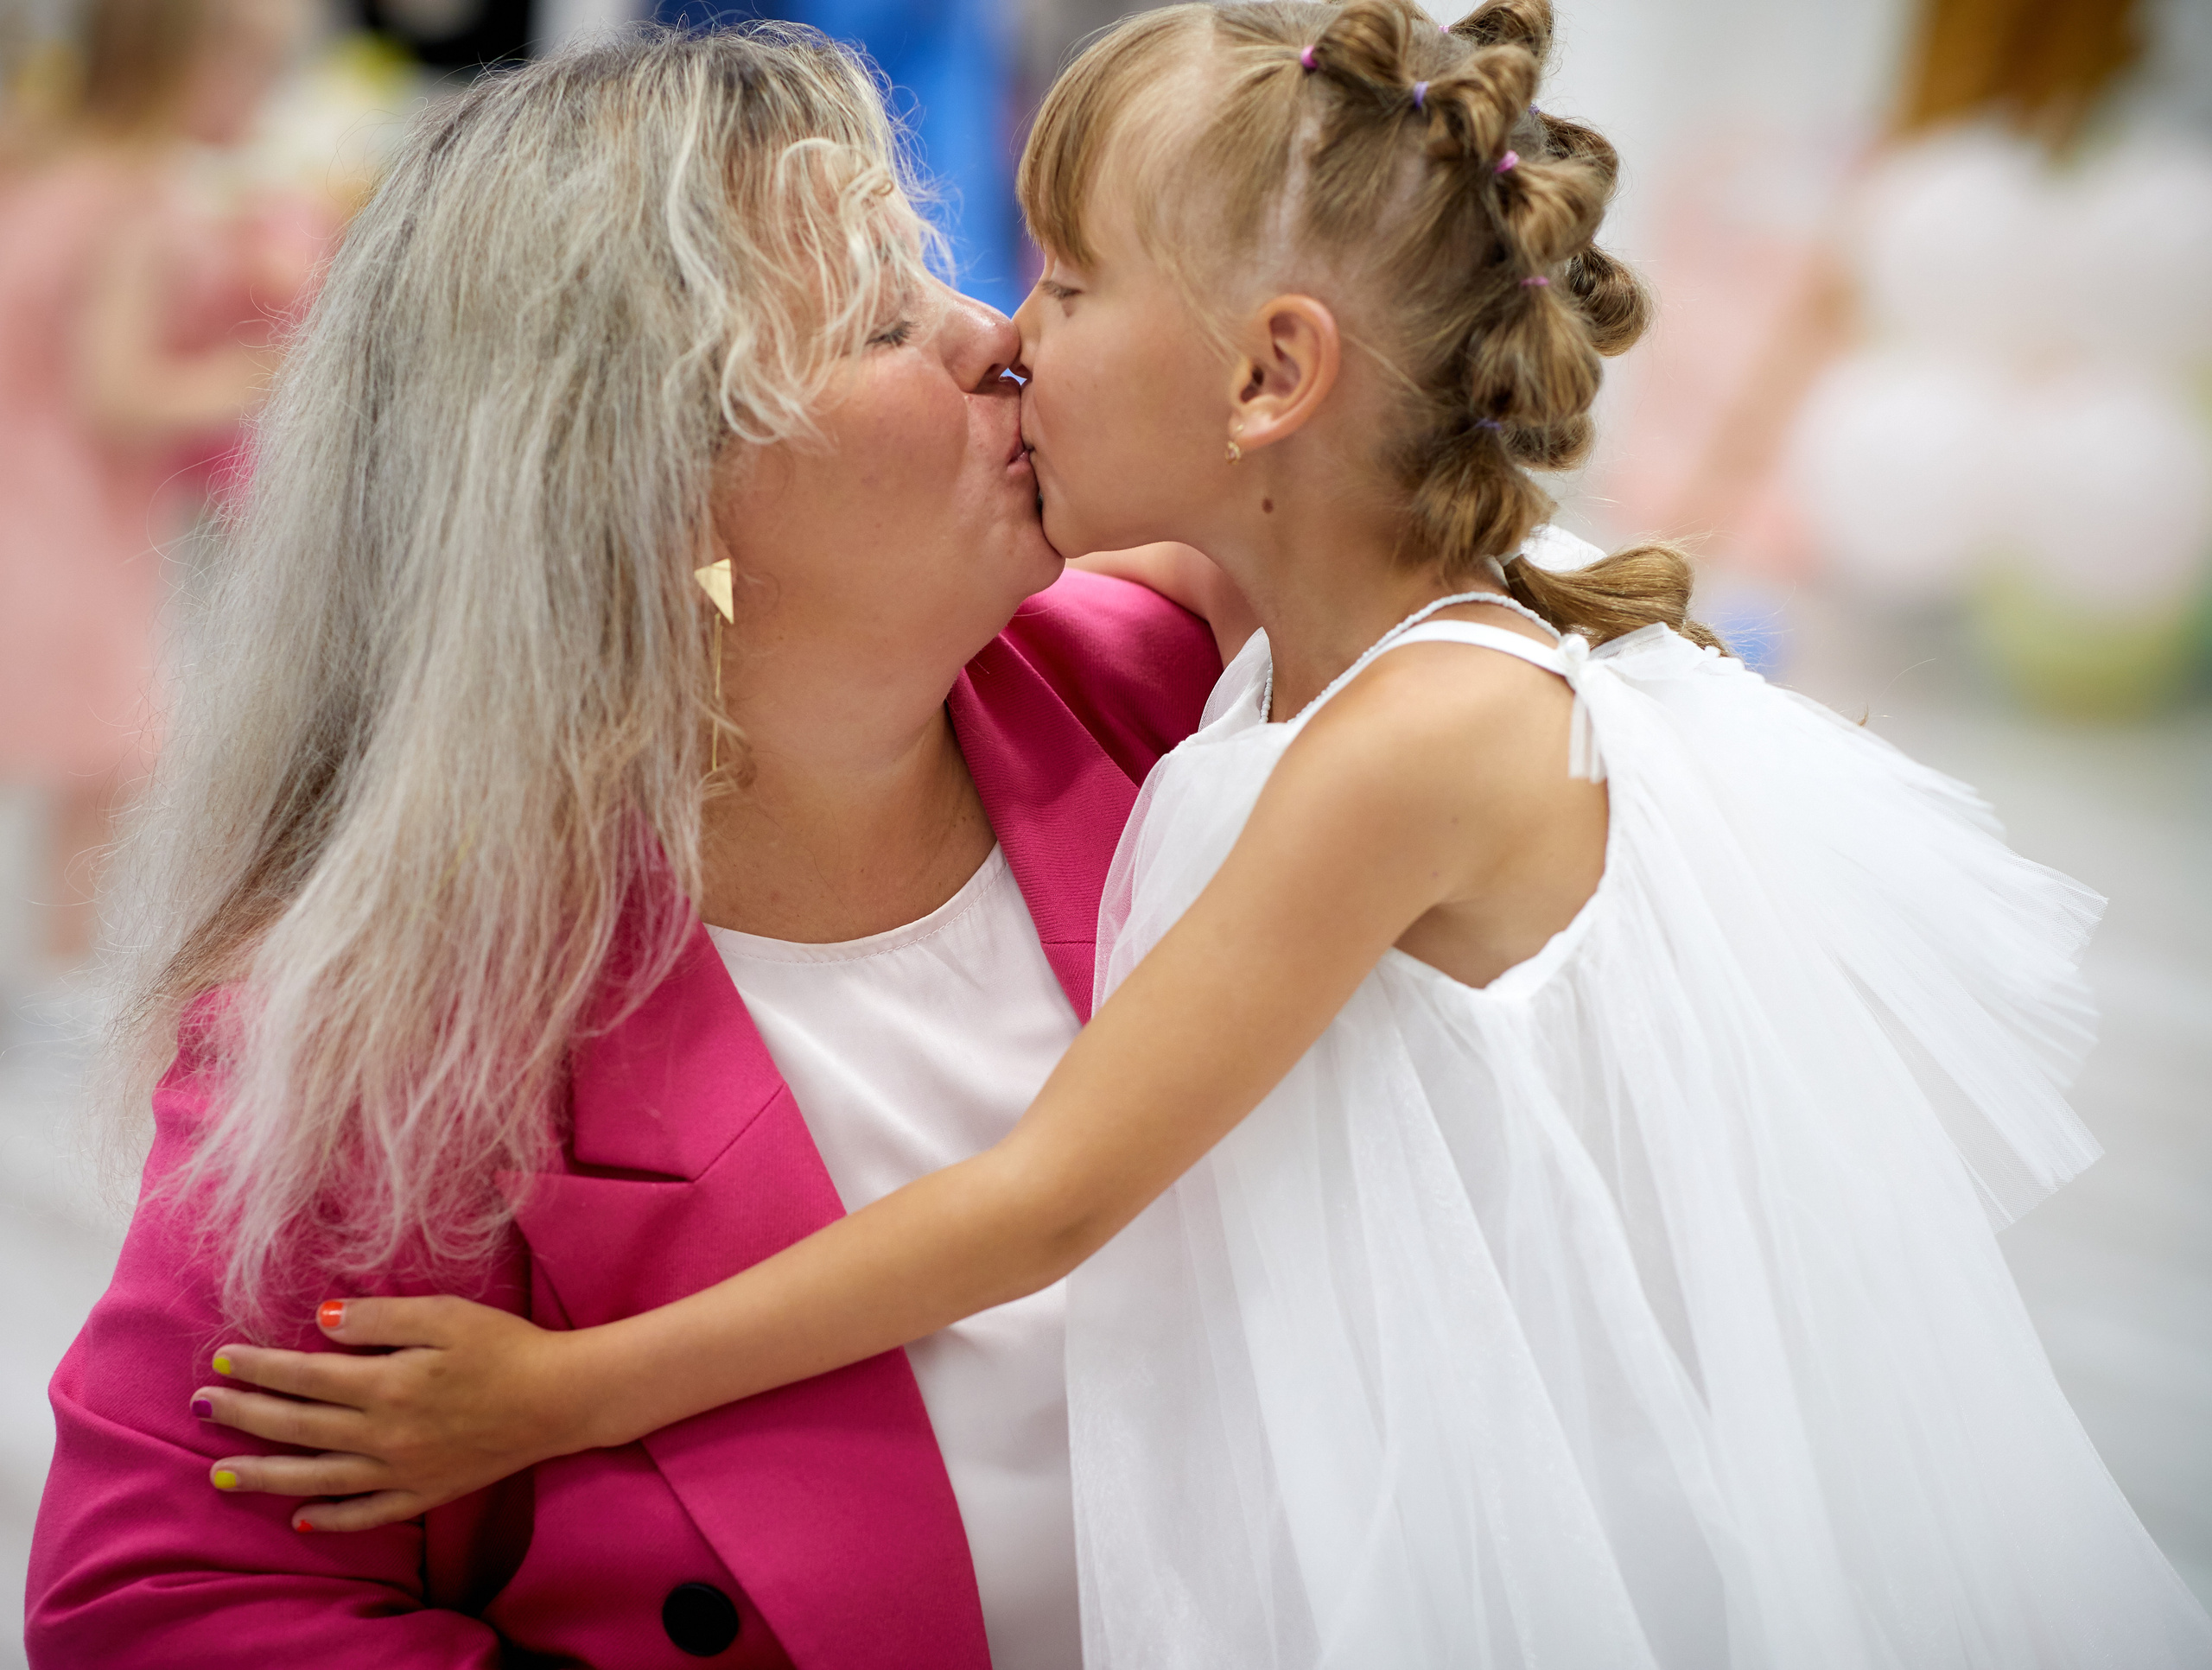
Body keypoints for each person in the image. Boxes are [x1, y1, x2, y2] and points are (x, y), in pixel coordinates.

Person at [189, 2, 2212, 1666]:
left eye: (1063, 286)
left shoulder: (1393, 728)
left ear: (1268, 378)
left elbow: (1045, 1198)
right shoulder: (1288, 660)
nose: (1006, 332)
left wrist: (568, 1391)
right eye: (910, 315)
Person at [23, 25, 1221, 1670]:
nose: (994, 334)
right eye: (881, 320)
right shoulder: (407, 1029)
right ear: (649, 506)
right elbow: (163, 1607)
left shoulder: (1179, 693)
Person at [0, 0, 319, 967]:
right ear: (191, 60)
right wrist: (267, 369)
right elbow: (119, 392)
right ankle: (58, 989)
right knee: (104, 763)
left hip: (35, 492)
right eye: (258, 71)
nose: (265, 100)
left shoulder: (45, 164)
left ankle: (51, 982)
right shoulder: (136, 204)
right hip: (67, 521)